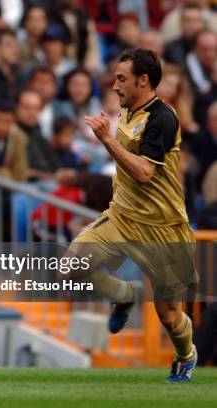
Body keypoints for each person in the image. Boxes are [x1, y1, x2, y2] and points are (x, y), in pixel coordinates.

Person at [70, 48, 198, 382]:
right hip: (123, 217)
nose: (114, 86)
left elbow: (143, 173)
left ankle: (186, 355)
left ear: (144, 81)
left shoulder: (163, 118)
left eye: (122, 78)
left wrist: (105, 140)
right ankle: (125, 295)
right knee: (72, 265)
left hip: (164, 230)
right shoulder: (128, 110)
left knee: (169, 317)